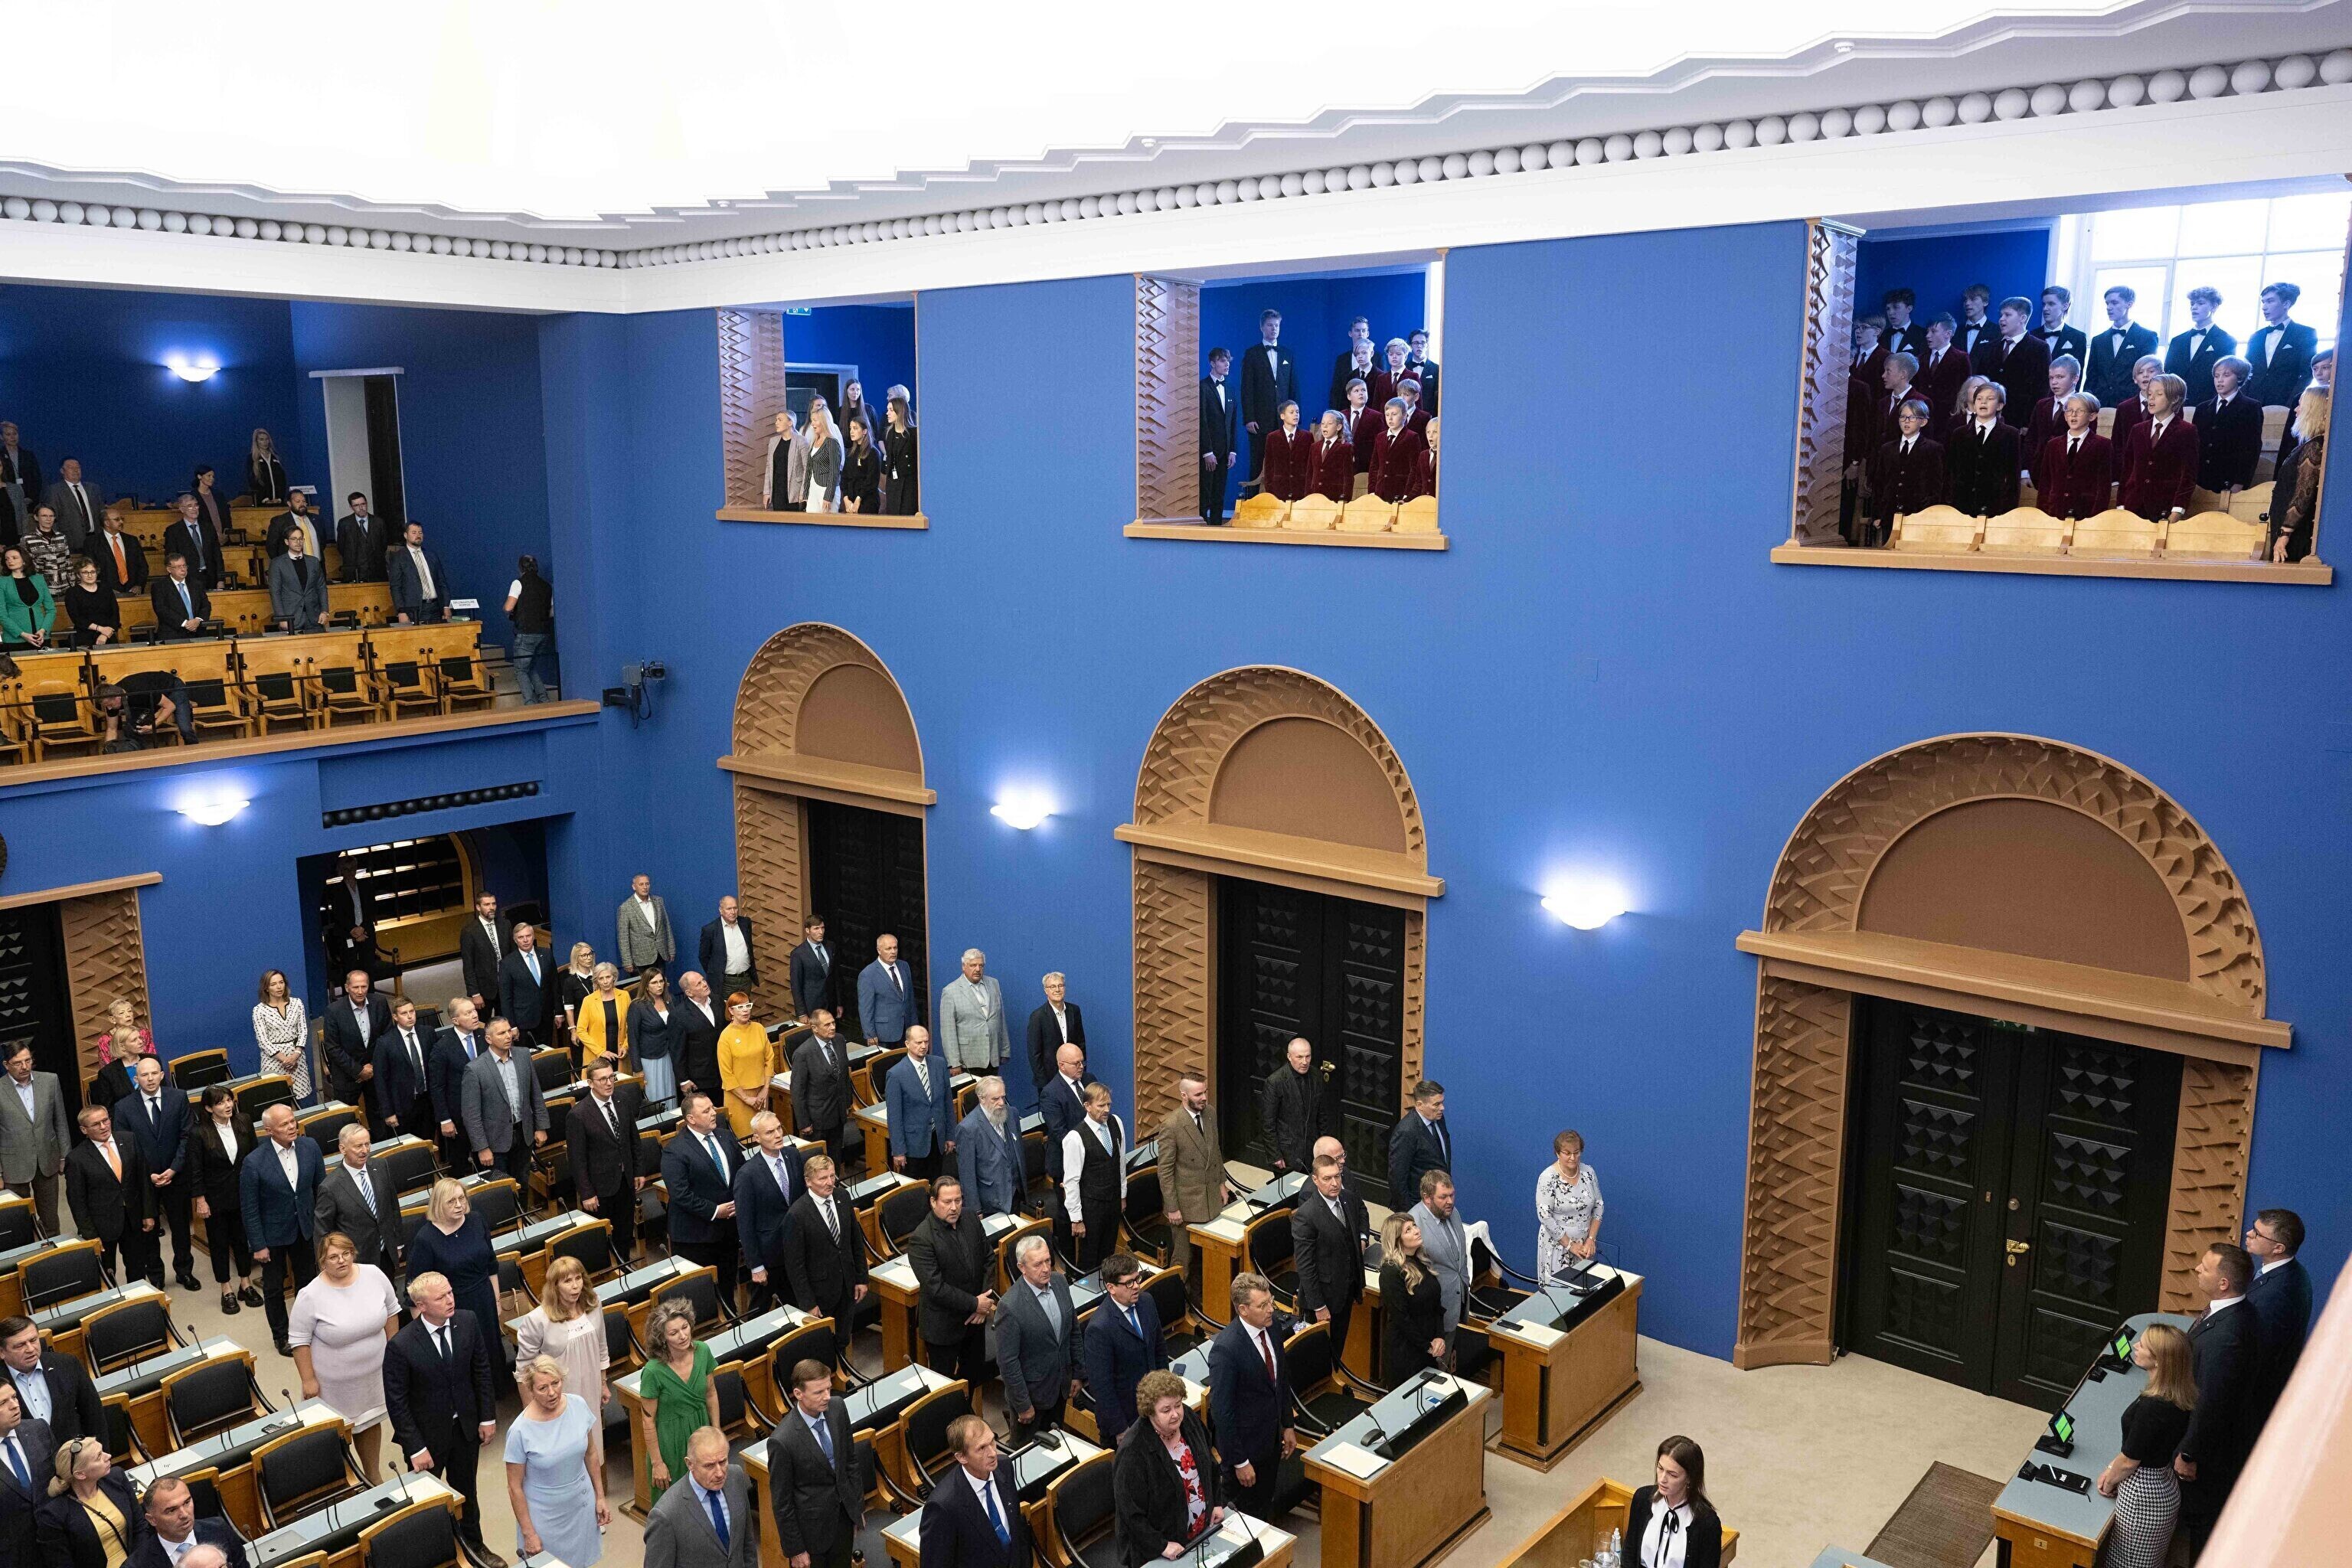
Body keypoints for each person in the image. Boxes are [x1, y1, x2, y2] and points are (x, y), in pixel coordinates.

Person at [384, 1270, 504, 1566]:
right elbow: (397, 1403)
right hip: (426, 1439)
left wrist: (487, 1417)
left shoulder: (468, 1321)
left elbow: (481, 1370)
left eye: (450, 1292)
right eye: (441, 1297)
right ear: (421, 1306)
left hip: (465, 1429)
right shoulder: (401, 1345)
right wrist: (415, 1447)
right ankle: (430, 1558)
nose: (450, 1300)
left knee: (467, 1493)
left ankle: (475, 1548)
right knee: (425, 1503)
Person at [290, 1230, 402, 1477]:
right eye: (333, 1257)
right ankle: (345, 1482)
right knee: (337, 1434)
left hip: (373, 1377)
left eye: (346, 1253)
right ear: (322, 1262)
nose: (341, 1260)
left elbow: (392, 1310)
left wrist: (394, 1351)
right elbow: (299, 1341)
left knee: (369, 1421)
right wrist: (308, 1380)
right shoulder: (310, 1295)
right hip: (334, 1386)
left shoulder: (373, 1275)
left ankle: (372, 1476)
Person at [2174, 1241, 2261, 1553]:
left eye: (2205, 1267)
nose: (2197, 1268)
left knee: (2201, 1524)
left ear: (2223, 1283)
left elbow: (2211, 1401)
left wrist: (2189, 1454)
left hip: (2210, 1454)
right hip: (2218, 1442)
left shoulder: (2228, 1336)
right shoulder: (2235, 1311)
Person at [2094, 1321, 2195, 1568]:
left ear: (2159, 1360)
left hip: (2141, 1499)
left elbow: (2129, 1461)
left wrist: (2109, 1479)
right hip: (2164, 1487)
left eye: (2144, 1345)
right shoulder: (2178, 1395)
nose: (2136, 1346)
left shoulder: (2153, 1407)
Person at [505, 1354, 609, 1566]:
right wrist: (529, 1533)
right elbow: (514, 1487)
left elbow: (591, 1453)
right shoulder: (519, 1431)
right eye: (543, 1388)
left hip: (581, 1505)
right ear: (531, 1390)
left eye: (556, 1383)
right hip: (545, 1518)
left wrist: (600, 1497)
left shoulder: (578, 1405)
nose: (552, 1392)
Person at [1113, 1369, 1223, 1564]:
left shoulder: (1188, 1419)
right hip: (1162, 1549)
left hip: (1203, 1533)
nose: (1175, 1414)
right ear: (1150, 1412)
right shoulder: (1133, 1451)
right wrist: (1162, 1546)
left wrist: (1216, 1502)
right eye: (1166, 1410)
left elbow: (1209, 1462)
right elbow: (1131, 1513)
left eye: (1178, 1405)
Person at [1207, 1273, 1294, 1517]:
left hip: (1271, 1443)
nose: (1271, 1309)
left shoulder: (1272, 1327)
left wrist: (1288, 1424)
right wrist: (1240, 1461)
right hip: (1245, 1453)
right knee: (1243, 1519)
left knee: (1265, 1509)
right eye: (1263, 1305)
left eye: (1271, 1301)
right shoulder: (1226, 1349)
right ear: (1243, 1310)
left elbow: (1280, 1380)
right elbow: (1222, 1413)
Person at [240, 1104, 322, 1355]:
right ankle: (281, 1335)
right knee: (274, 1288)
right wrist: (258, 1244)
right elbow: (250, 1208)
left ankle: (306, 1329)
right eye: (284, 1124)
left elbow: (321, 1190)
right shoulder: (254, 1162)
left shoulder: (310, 1147)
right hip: (272, 1236)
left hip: (305, 1229)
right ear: (269, 1131)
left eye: (292, 1121)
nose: (291, 1126)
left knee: (308, 1284)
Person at [766, 1357, 863, 1568]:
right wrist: (795, 1549)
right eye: (819, 1392)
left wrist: (856, 1509)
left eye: (828, 1388)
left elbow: (850, 1462)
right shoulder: (782, 1440)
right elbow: (782, 1503)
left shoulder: (837, 1408)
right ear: (798, 1394)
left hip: (843, 1520)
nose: (827, 1396)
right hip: (811, 1536)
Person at [905, 1174, 995, 1382]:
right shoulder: (921, 1238)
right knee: (944, 1385)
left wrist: (984, 1300)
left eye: (958, 1200)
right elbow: (936, 1288)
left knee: (973, 1377)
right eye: (947, 1202)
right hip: (944, 1327)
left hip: (976, 1320)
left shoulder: (970, 1218)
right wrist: (975, 1303)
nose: (954, 1207)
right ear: (933, 1202)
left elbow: (989, 1259)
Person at [185, 1084, 264, 1315]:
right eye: (220, 1103)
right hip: (215, 1197)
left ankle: (245, 1284)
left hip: (243, 1193)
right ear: (209, 1108)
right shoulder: (199, 1133)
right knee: (219, 1243)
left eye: (229, 1100)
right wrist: (200, 1200)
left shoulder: (244, 1121)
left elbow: (254, 1157)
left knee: (242, 1239)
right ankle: (226, 1288)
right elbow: (196, 1170)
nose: (227, 1105)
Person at [995, 1233, 1078, 1442]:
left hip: (1060, 1388)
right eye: (1038, 1264)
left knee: (1056, 1445)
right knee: (1026, 1453)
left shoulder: (1060, 1282)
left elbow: (1073, 1330)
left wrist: (1078, 1373)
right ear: (1022, 1267)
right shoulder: (1010, 1306)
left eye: (1048, 1261)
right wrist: (1023, 1405)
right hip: (1032, 1398)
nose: (1046, 1268)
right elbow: (1008, 1362)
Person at [919, 1414, 1031, 1567]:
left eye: (992, 1441)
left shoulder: (1004, 1467)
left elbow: (1015, 1527)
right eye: (982, 1448)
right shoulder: (943, 1505)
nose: (992, 1453)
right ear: (962, 1457)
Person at [663, 1091, 743, 1305]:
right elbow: (680, 1194)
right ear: (691, 1119)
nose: (713, 1113)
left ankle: (730, 1316)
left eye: (712, 1108)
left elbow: (741, 1173)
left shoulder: (726, 1136)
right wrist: (715, 1211)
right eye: (706, 1111)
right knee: (698, 1297)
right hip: (695, 1236)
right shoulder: (675, 1151)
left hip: (728, 1230)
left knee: (727, 1285)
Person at [408, 1178, 503, 1359]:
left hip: (485, 1301)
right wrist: (427, 1332)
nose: (459, 1205)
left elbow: (491, 1265)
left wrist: (497, 1301)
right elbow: (414, 1292)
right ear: (439, 1204)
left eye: (462, 1198)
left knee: (492, 1354)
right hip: (453, 1308)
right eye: (451, 1201)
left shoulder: (476, 1220)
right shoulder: (425, 1239)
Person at [637, 1300, 720, 1501]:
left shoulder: (703, 1351)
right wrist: (657, 1463)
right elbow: (648, 1421)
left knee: (707, 1498)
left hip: (701, 1431)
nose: (683, 1336)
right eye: (674, 1333)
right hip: (670, 1444)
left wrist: (716, 1433)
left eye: (685, 1327)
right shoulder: (653, 1371)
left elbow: (711, 1394)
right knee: (674, 1505)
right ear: (663, 1338)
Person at [66, 1105, 154, 1292]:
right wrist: (90, 1235)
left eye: (105, 1120)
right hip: (102, 1226)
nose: (103, 1126)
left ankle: (138, 1298)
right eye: (96, 1124)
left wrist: (148, 1212)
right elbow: (77, 1201)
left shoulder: (129, 1139)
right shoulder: (76, 1158)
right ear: (84, 1130)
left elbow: (143, 1179)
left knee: (137, 1266)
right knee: (106, 1273)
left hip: (133, 1218)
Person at [1083, 1253, 1168, 1446]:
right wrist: (1120, 1429)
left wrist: (1165, 1394)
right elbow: (1102, 1387)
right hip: (1125, 1419)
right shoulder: (1099, 1328)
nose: (1136, 1286)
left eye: (1137, 1279)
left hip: (1155, 1407)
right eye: (1129, 1283)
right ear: (1111, 1288)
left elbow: (1159, 1349)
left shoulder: (1147, 1302)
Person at [568, 1057, 648, 1262]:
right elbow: (577, 1160)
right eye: (602, 1079)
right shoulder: (579, 1114)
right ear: (590, 1083)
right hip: (600, 1189)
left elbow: (633, 1139)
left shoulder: (622, 1100)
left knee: (624, 1234)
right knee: (602, 1239)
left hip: (626, 1182)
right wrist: (587, 1193)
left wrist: (638, 1170)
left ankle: (624, 1268)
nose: (609, 1083)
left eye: (611, 1077)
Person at [645, 1426, 758, 1568]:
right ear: (690, 1464)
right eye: (709, 1466)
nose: (719, 1473)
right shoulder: (666, 1514)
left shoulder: (735, 1477)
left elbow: (747, 1542)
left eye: (723, 1462)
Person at [1292, 1153, 1367, 1364]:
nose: (1334, 1183)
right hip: (1323, 1299)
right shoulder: (1306, 1215)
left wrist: (1363, 1238)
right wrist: (1318, 1306)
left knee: (1337, 1350)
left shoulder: (1348, 1199)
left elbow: (1361, 1215)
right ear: (1315, 1180)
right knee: (1318, 1358)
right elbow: (1305, 1266)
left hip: (1347, 1292)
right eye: (1327, 1178)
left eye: (1337, 1177)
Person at [2243, 1207, 2311, 1429]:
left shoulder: (2279, 1292)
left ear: (2278, 1248)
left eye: (2257, 1233)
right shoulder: (2288, 1271)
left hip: (2255, 1401)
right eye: (2253, 1228)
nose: (2249, 1234)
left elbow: (2258, 1351)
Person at [515, 1255, 611, 1414]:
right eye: (567, 1281)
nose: (575, 1286)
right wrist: (530, 1413)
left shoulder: (594, 1304)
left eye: (578, 1278)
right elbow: (524, 1372)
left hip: (592, 1388)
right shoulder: (537, 1320)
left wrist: (603, 1384)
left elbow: (602, 1347)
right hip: (557, 1395)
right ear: (555, 1286)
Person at [785, 1152, 871, 1329]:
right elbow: (795, 1266)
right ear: (808, 1182)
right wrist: (808, 1303)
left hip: (848, 1286)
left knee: (844, 1337)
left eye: (832, 1176)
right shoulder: (797, 1214)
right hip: (821, 1293)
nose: (830, 1182)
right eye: (823, 1178)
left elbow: (855, 1241)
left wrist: (862, 1278)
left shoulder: (843, 1197)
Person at [1156, 1071, 1228, 1280]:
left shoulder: (1210, 1113)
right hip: (1185, 1206)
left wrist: (1221, 1184)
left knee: (1208, 1257)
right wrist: (1172, 1207)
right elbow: (1165, 1171)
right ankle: (1180, 1297)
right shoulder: (1172, 1125)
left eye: (1205, 1092)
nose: (1204, 1098)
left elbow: (1215, 1152)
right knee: (1183, 1261)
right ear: (1184, 1096)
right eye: (1198, 1095)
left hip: (1211, 1200)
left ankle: (1201, 1294)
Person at [34, 1434, 145, 1568]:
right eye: (99, 1456)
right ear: (80, 1474)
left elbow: (140, 1526)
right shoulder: (54, 1514)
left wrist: (137, 1563)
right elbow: (61, 1564)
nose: (108, 1456)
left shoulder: (117, 1478)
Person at [463, 1017, 550, 1183]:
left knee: (523, 1184)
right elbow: (471, 1115)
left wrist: (541, 1127)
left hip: (524, 1135)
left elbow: (536, 1094)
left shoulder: (523, 1055)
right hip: (495, 1143)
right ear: (489, 1039)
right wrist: (482, 1147)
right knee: (500, 1189)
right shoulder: (475, 1069)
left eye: (509, 1031)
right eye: (501, 1033)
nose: (508, 1036)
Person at [733, 1112, 803, 1312]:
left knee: (797, 1306)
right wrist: (756, 1266)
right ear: (757, 1138)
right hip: (769, 1255)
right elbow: (745, 1225)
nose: (778, 1135)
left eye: (779, 1128)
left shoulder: (793, 1155)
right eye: (770, 1132)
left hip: (796, 1248)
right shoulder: (747, 1174)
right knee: (760, 1310)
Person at [0, 1040, 70, 1240]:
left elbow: (60, 1121)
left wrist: (65, 1156)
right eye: (17, 1063)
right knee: (19, 1220)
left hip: (47, 1159)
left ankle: (53, 1251)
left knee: (50, 1218)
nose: (24, 1067)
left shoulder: (50, 1081)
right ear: (6, 1065)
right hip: (13, 1165)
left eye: (28, 1060)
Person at [1, 1315, 103, 1445]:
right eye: (20, 1345)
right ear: (2, 1352)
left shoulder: (67, 1364)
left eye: (33, 1340)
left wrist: (101, 1453)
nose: (30, 1349)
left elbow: (94, 1415)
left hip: (77, 1452)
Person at [314, 1123, 401, 1274]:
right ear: (343, 1149)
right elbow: (323, 1232)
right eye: (358, 1146)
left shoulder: (381, 1166)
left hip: (387, 1252)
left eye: (367, 1144)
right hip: (356, 1260)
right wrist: (326, 1267)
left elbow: (393, 1207)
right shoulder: (330, 1187)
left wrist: (397, 1244)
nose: (365, 1150)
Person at [1625, 1436, 1723, 1568]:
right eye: (1660, 1468)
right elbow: (1629, 1554)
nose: (1662, 1479)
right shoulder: (1642, 1498)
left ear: (1690, 1478)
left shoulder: (1707, 1523)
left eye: (1672, 1474)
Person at [1861, 400, 1946, 544]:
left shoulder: (1933, 449)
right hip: (1890, 514)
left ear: (1923, 422)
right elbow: (1880, 483)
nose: (1906, 421)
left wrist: (1927, 513)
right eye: (1903, 417)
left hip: (1917, 515)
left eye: (1912, 417)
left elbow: (1935, 486)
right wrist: (1878, 514)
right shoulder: (1887, 449)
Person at [1063, 1082, 1128, 1272]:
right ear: (1087, 1106)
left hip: (1113, 1201)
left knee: (1108, 1253)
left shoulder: (1116, 1123)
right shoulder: (1075, 1137)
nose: (1106, 1110)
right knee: (1090, 1256)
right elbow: (1071, 1181)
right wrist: (1076, 1219)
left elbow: (1120, 1162)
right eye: (1101, 1106)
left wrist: (1122, 1195)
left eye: (1108, 1104)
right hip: (1091, 1207)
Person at [2119, 373, 2200, 521]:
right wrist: (2121, 505)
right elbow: (2128, 469)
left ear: (2175, 398)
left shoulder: (2187, 431)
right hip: (2133, 506)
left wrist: (2178, 510)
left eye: (2159, 394)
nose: (2151, 398)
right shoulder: (2137, 429)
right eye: (2150, 394)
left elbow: (2188, 475)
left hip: (2165, 507)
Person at [1238, 311, 1298, 499]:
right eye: (1270, 325)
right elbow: (1246, 388)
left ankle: (1281, 502)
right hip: (1259, 421)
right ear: (1262, 327)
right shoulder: (1252, 354)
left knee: (1283, 462)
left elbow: (1293, 387)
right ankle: (1253, 503)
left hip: (1283, 421)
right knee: (1257, 462)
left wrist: (1294, 416)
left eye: (1277, 325)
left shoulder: (1287, 353)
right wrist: (1249, 418)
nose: (1274, 329)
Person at [1380, 1211, 1446, 1382]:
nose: (1416, 1231)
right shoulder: (1391, 1271)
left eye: (1414, 1225)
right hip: (1405, 1351)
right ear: (1397, 1240)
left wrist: (1439, 1336)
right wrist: (1427, 1346)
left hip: (1429, 1346)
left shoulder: (1421, 1260)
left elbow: (1436, 1306)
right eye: (1408, 1230)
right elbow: (1401, 1318)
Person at [127, 1475, 247, 1568]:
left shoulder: (219, 1530)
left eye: (187, 1503)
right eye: (172, 1510)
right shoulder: (138, 1565)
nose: (184, 1514)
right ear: (152, 1520)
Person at [1410, 1169, 1471, 1350]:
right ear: (1427, 1198)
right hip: (1432, 1314)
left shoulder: (1453, 1213)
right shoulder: (1413, 1223)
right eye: (1443, 1197)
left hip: (1457, 1304)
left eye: (1452, 1195)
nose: (1450, 1201)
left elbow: (1459, 1257)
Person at [887, 1024, 956, 1180]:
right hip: (913, 1145)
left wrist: (950, 1135)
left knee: (937, 1183)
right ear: (907, 1044)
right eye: (918, 1042)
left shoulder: (939, 1064)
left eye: (926, 1041)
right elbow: (894, 1117)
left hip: (937, 1139)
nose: (923, 1046)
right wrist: (898, 1151)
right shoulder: (896, 1074)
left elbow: (947, 1103)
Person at [1536, 1129, 1606, 1282]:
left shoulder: (1589, 1172)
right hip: (1557, 1247)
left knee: (1583, 1291)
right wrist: (1570, 1245)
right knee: (1557, 1293)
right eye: (1567, 1153)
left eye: (1576, 1152)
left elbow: (1599, 1205)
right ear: (1557, 1153)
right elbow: (1545, 1216)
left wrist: (1591, 1239)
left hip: (1585, 1247)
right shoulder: (1548, 1178)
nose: (1573, 1158)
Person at [1946, 379, 2021, 516]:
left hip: (1995, 508)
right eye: (1979, 399)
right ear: (1974, 405)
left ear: (1999, 406)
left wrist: (2007, 510)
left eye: (1990, 399)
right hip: (1962, 507)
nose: (1983, 402)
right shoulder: (1959, 434)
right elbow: (1951, 472)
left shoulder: (2010, 434)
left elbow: (2013, 476)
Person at [2270, 385, 2329, 562]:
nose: (2296, 409)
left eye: (2301, 405)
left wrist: (2285, 534)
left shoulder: (2315, 447)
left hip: (2296, 534)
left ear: (2313, 410)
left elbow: (2304, 494)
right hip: (2287, 527)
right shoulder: (2310, 443)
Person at [432, 997, 490, 1171]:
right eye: (468, 1013)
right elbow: (437, 1087)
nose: (475, 1015)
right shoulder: (442, 1047)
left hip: (487, 1111)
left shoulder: (484, 1037)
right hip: (458, 1116)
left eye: (474, 1010)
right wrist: (445, 1119)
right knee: (460, 1165)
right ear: (455, 1020)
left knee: (487, 1162)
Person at [320, 968, 389, 1117]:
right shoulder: (334, 1011)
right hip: (347, 1074)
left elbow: (388, 1037)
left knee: (380, 1115)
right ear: (347, 988)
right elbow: (333, 1047)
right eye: (355, 987)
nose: (360, 991)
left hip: (375, 1070)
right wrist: (359, 1071)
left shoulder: (380, 1003)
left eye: (364, 987)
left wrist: (373, 1065)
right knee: (347, 1118)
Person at [2037, 392, 2115, 521]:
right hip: (2055, 514)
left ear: (2092, 416)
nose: (2073, 415)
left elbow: (2103, 487)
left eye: (2080, 411)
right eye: (2069, 410)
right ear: (2065, 415)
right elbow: (2045, 484)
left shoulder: (2103, 445)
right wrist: (2043, 517)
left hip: (2086, 515)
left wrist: (2095, 518)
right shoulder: (2053, 445)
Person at [2194, 357, 2264, 496]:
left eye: (2226, 375)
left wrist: (2240, 482)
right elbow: (2194, 445)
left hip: (2228, 480)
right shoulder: (2202, 408)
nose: (2219, 380)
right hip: (2200, 479)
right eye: (2216, 376)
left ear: (2239, 378)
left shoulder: (2251, 407)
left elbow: (2251, 448)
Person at [956, 1076, 1024, 1219]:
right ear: (982, 1098)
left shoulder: (1012, 1113)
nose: (1001, 1103)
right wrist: (976, 1210)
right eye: (995, 1099)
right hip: (990, 1202)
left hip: (1015, 1193)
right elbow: (967, 1175)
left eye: (1003, 1097)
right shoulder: (968, 1129)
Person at [0, 1382, 53, 1568]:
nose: (15, 1405)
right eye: (3, 1403)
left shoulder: (39, 1430)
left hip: (58, 1544)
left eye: (14, 1397)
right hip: (13, 1557)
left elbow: (61, 1478)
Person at [1262, 1037, 1331, 1178]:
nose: (1304, 1062)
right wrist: (1275, 1155)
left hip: (1312, 1151)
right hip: (1287, 1154)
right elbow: (1268, 1123)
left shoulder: (1316, 1076)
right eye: (1299, 1057)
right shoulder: (1275, 1082)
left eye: (1308, 1056)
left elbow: (1322, 1114)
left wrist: (1324, 1145)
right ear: (1289, 1057)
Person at [790, 1009, 851, 1165]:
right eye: (827, 1025)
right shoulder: (803, 1053)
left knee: (835, 1159)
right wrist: (804, 1122)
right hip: (817, 1120)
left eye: (833, 1023)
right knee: (818, 1164)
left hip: (838, 1114)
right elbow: (797, 1091)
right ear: (814, 1028)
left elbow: (844, 1075)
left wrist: (847, 1104)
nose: (833, 1027)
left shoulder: (839, 1040)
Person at [374, 996, 437, 1141]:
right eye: (404, 1013)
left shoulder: (428, 1033)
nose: (410, 1016)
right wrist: (388, 1112)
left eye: (412, 1011)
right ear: (395, 1017)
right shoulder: (385, 1043)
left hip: (427, 1101)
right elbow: (380, 1080)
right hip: (401, 1106)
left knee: (427, 1143)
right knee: (406, 1146)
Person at [2086, 285, 2160, 407]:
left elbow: (2148, 375)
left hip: (2132, 405)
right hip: (2100, 404)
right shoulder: (2098, 340)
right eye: (2107, 303)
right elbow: (2091, 377)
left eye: (2114, 303)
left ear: (2129, 304)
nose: (2109, 307)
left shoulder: (2147, 336)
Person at [2245, 282, 2316, 407]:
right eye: (2263, 302)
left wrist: (2291, 403)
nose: (2264, 307)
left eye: (2270, 301)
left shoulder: (2305, 333)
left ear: (2286, 304)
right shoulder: (2256, 337)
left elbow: (2306, 373)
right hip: (2253, 404)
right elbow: (2246, 372)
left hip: (2285, 403)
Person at [939, 949, 1010, 1073]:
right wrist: (954, 1063)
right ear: (964, 967)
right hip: (967, 1061)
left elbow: (1000, 1017)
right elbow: (948, 1032)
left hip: (992, 1056)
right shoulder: (950, 991)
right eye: (973, 965)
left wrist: (1005, 1049)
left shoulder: (994, 983)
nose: (978, 969)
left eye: (981, 965)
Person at [2165, 286, 2235, 407]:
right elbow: (2168, 373)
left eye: (2200, 303)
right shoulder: (2177, 341)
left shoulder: (2226, 340)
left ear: (2214, 307)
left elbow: (2226, 377)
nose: (2194, 307)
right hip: (2176, 403)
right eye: (2192, 304)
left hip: (2208, 405)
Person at [717, 993, 772, 1141]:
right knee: (745, 1140)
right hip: (738, 1097)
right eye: (740, 1007)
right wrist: (746, 1099)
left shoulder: (759, 1029)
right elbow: (726, 1074)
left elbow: (769, 1059)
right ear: (731, 1011)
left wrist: (766, 1089)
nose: (745, 1010)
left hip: (761, 1094)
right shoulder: (726, 1036)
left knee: (765, 1136)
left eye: (748, 1005)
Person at [1388, 1080, 1452, 1206]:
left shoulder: (1439, 1118)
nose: (1442, 1108)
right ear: (1420, 1105)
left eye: (1442, 1102)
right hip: (1419, 1203)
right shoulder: (1406, 1131)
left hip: (1439, 1199)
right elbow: (1397, 1178)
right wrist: (1408, 1211)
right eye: (1436, 1104)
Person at [2024, 355, 2082, 491]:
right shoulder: (2041, 405)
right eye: (2051, 378)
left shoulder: (2083, 405)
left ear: (2075, 379)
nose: (2054, 382)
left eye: (2060, 377)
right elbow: (2031, 439)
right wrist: (2026, 469)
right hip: (2039, 472)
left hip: (2068, 473)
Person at [1024, 971, 1086, 1097]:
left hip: (1074, 1076)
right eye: (1052, 986)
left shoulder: (1074, 1011)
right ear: (1046, 990)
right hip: (1049, 1080)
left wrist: (1081, 1068)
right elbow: (1034, 1054)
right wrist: (1044, 1084)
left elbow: (1081, 1042)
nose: (1057, 990)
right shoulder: (1037, 1016)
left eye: (1060, 986)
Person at [505, 554, 554, 702]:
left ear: (520, 568)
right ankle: (544, 700)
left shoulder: (518, 583)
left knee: (520, 670)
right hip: (544, 633)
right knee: (531, 668)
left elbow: (508, 607)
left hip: (525, 633)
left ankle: (530, 703)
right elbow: (551, 613)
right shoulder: (547, 586)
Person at [1199, 347, 1240, 524]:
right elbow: (1202, 421)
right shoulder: (1203, 387)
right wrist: (1207, 451)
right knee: (1205, 491)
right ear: (1212, 363)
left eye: (1228, 361)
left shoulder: (1230, 389)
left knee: (1219, 493)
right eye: (1223, 361)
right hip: (1209, 452)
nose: (1227, 364)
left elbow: (1233, 422)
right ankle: (1200, 528)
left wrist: (1233, 450)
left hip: (1225, 451)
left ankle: (1216, 527)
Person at [631, 969, 683, 1106]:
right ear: (646, 986)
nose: (659, 985)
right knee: (654, 1094)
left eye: (661, 981)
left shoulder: (670, 1000)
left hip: (669, 1055)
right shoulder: (637, 1006)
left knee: (670, 1091)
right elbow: (633, 1038)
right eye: (654, 983)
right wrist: (637, 1069)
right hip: (650, 1059)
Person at [499, 922, 555, 1044]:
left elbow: (554, 985)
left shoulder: (546, 954)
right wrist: (512, 1025)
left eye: (528, 936)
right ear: (515, 940)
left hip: (546, 1017)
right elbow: (506, 998)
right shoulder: (507, 963)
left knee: (549, 1051)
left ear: (533, 936)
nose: (525, 940)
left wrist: (559, 1013)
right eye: (521, 937)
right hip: (523, 1022)